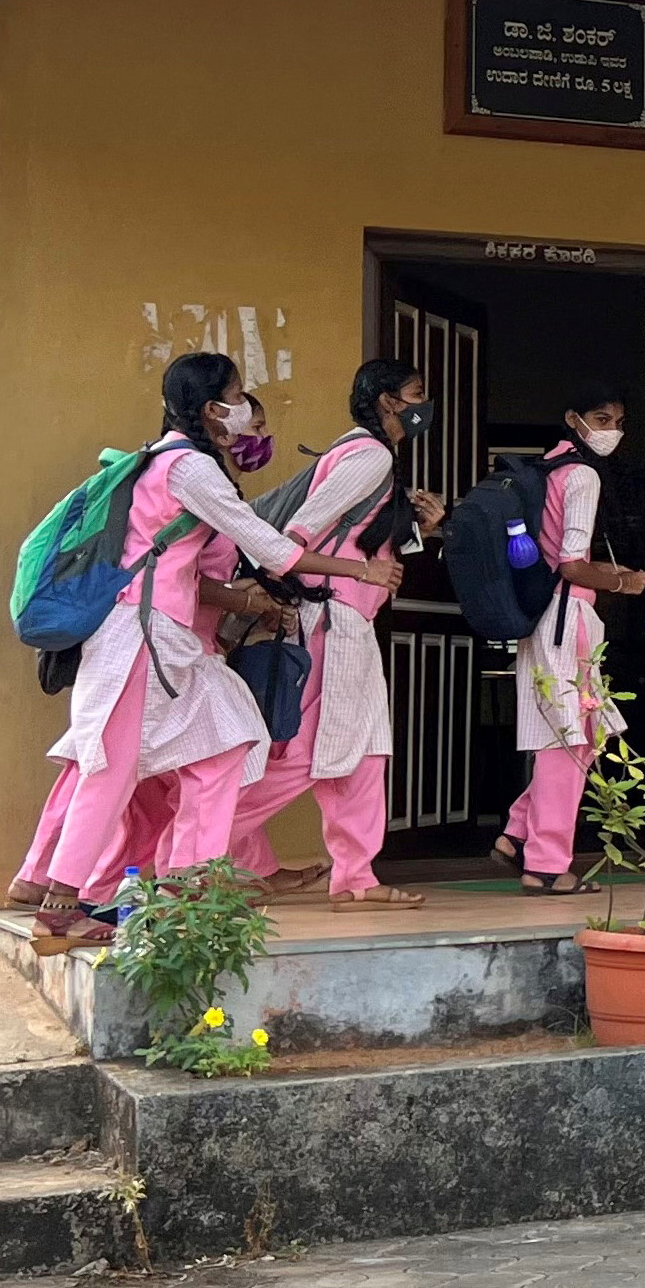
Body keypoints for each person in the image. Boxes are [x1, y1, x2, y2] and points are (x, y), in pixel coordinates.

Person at [27, 356, 398, 949]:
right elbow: (272, 548)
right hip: (140, 637)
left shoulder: (173, 463)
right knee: (110, 770)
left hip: (166, 643)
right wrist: (361, 570)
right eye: (237, 395)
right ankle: (61, 900)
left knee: (227, 741)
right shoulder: (190, 469)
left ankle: (182, 884)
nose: (247, 406)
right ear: (211, 409)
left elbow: (221, 562)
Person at [221, 361, 451, 910]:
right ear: (389, 401)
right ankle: (197, 846)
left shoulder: (373, 458)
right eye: (417, 393)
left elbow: (363, 544)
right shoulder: (369, 456)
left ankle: (356, 877)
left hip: (350, 622)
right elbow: (295, 537)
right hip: (331, 621)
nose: (425, 404)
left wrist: (424, 530)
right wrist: (362, 575)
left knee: (366, 752)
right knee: (304, 755)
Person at [495, 384, 645, 896]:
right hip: (568, 616)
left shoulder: (546, 471)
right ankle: (546, 863)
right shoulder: (582, 476)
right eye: (601, 418)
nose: (611, 430)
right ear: (573, 419)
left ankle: (519, 832)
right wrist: (624, 582)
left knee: (573, 734)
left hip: (542, 616)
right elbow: (573, 563)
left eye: (617, 419)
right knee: (572, 739)